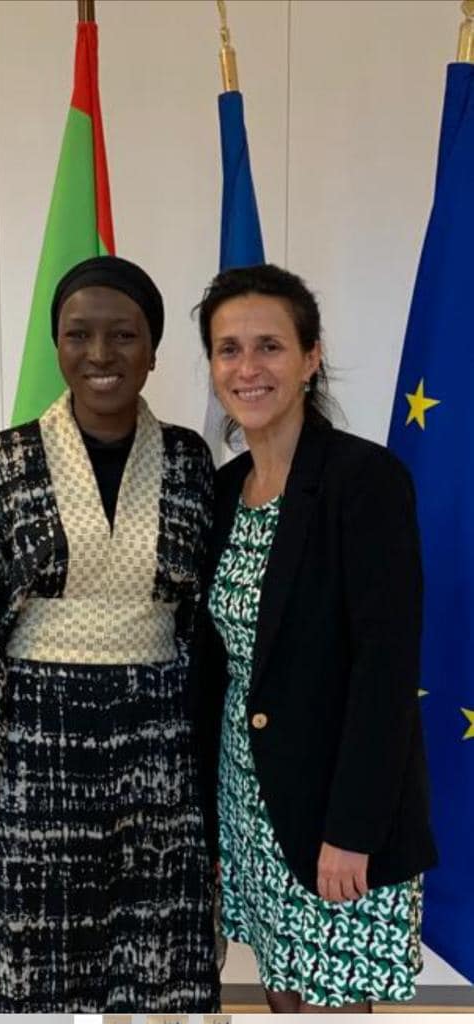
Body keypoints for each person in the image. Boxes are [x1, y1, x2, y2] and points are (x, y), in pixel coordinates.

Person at [0, 255, 220, 1013]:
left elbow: (209, 633)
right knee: (25, 975)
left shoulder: (189, 463)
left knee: (150, 970)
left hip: (157, 760)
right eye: (79, 334)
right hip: (30, 759)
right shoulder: (4, 463)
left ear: (154, 349)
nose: (100, 353)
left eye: (123, 334)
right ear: (57, 344)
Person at [194, 263, 437, 1013]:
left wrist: (353, 829)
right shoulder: (223, 491)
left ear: (310, 357)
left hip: (337, 809)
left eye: (269, 346)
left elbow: (385, 669)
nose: (248, 367)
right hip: (250, 799)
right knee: (283, 994)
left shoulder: (366, 480)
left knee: (333, 1001)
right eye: (229, 349)